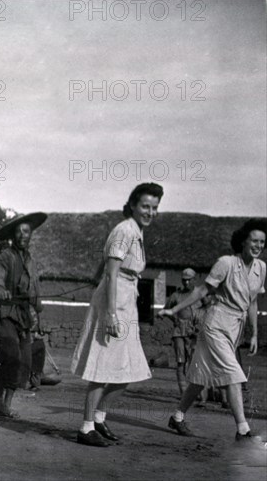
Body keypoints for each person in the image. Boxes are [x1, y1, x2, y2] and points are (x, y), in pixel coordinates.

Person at [71, 183, 164, 447]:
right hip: (114, 303)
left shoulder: (136, 231)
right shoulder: (124, 230)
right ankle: (86, 427)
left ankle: (99, 418)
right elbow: (112, 273)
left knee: (127, 371)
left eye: (154, 208)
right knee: (102, 369)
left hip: (126, 299)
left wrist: (96, 277)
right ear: (133, 205)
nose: (150, 212)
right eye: (145, 206)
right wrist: (110, 314)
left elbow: (107, 267)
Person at [160, 219, 266, 444]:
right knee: (233, 372)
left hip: (234, 329)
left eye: (262, 242)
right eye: (254, 241)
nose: (258, 246)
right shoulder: (226, 263)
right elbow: (202, 290)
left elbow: (253, 302)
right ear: (243, 241)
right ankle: (243, 430)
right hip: (215, 325)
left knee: (200, 376)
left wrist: (254, 333)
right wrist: (176, 309)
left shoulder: (261, 268)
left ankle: (177, 417)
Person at [0, 212, 46, 418]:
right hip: (6, 313)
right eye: (18, 231)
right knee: (11, 356)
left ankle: (5, 403)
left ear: (31, 235)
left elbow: (36, 292)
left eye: (27, 231)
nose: (23, 235)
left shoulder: (31, 261)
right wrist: (0, 289)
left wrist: (38, 316)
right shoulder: (6, 256)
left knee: (24, 361)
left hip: (24, 316)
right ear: (13, 235)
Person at [164, 268, 204, 396]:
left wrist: (200, 320)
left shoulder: (200, 293)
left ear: (194, 280)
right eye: (184, 280)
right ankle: (183, 393)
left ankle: (198, 393)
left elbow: (209, 307)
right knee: (181, 362)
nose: (186, 283)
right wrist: (175, 318)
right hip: (179, 332)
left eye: (189, 280)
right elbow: (166, 310)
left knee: (195, 362)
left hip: (195, 333)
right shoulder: (176, 295)